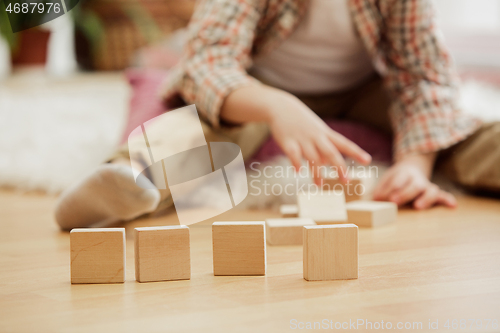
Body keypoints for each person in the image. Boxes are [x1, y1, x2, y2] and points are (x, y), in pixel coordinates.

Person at [55, 0, 500, 230]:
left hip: (362, 88)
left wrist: (415, 164)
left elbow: (422, 75)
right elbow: (208, 61)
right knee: (205, 130)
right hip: (255, 85)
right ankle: (129, 179)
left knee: (453, 126)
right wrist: (275, 105)